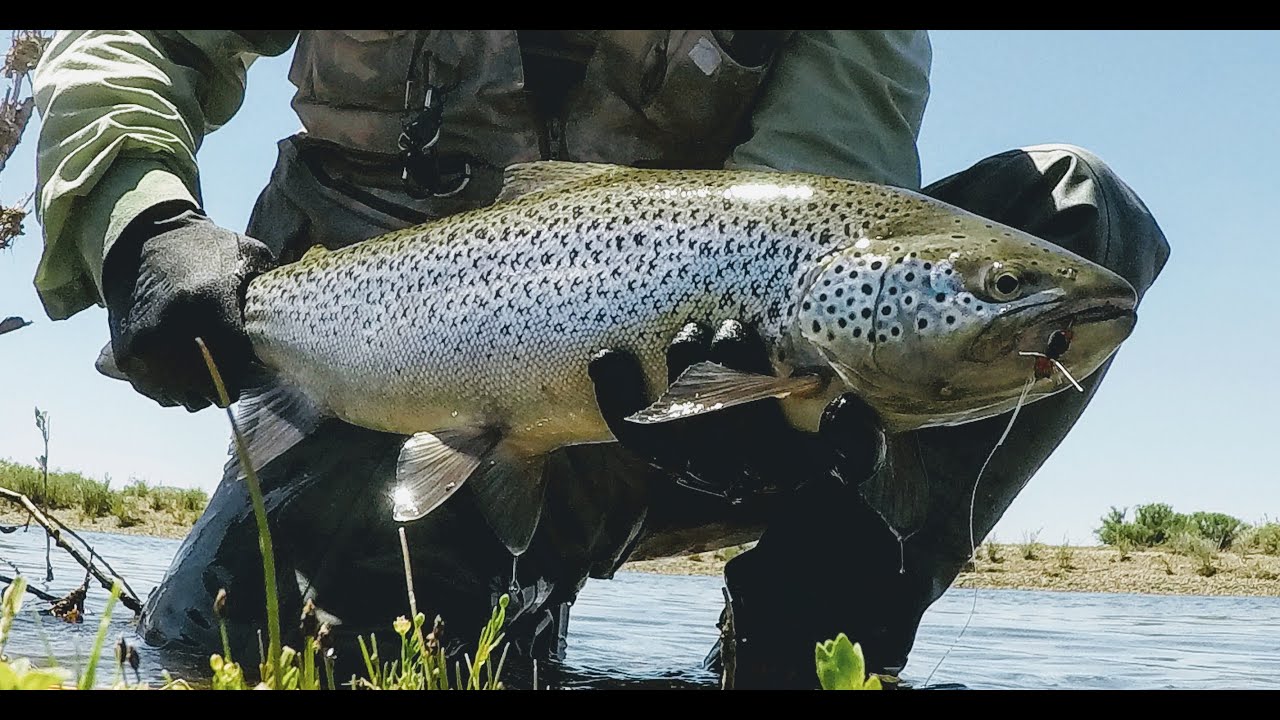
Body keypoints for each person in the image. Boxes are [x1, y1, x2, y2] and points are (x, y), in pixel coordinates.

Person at [31, 30, 1168, 688]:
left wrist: (776, 408)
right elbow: (133, 39)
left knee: (1077, 209)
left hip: (724, 414)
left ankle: (809, 622)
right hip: (383, 376)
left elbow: (821, 203)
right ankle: (504, 590)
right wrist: (144, 226)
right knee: (234, 660)